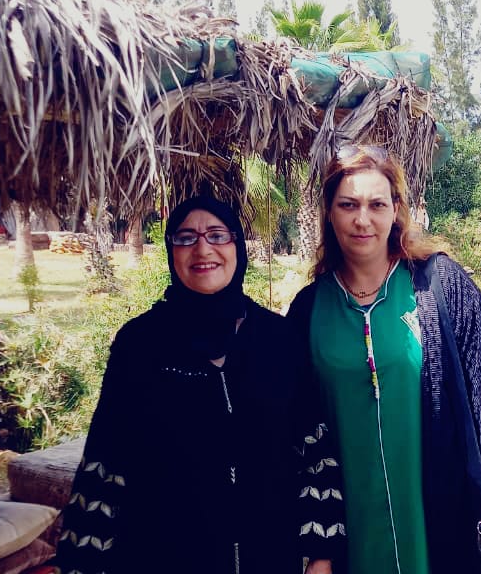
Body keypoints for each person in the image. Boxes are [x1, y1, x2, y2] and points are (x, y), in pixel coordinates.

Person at [288, 146, 481, 574]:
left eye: (377, 205)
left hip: (440, 508)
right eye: (348, 205)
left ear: (396, 210)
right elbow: (303, 432)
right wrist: (319, 546)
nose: (362, 219)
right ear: (329, 212)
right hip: (352, 518)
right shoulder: (308, 309)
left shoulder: (440, 285)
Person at [55, 195, 343, 574]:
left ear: (237, 246)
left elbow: (315, 449)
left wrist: (321, 555)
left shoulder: (278, 339)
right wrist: (81, 563)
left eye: (217, 235)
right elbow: (106, 459)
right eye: (186, 237)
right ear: (171, 251)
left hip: (270, 557)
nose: (203, 249)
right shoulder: (139, 345)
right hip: (161, 558)